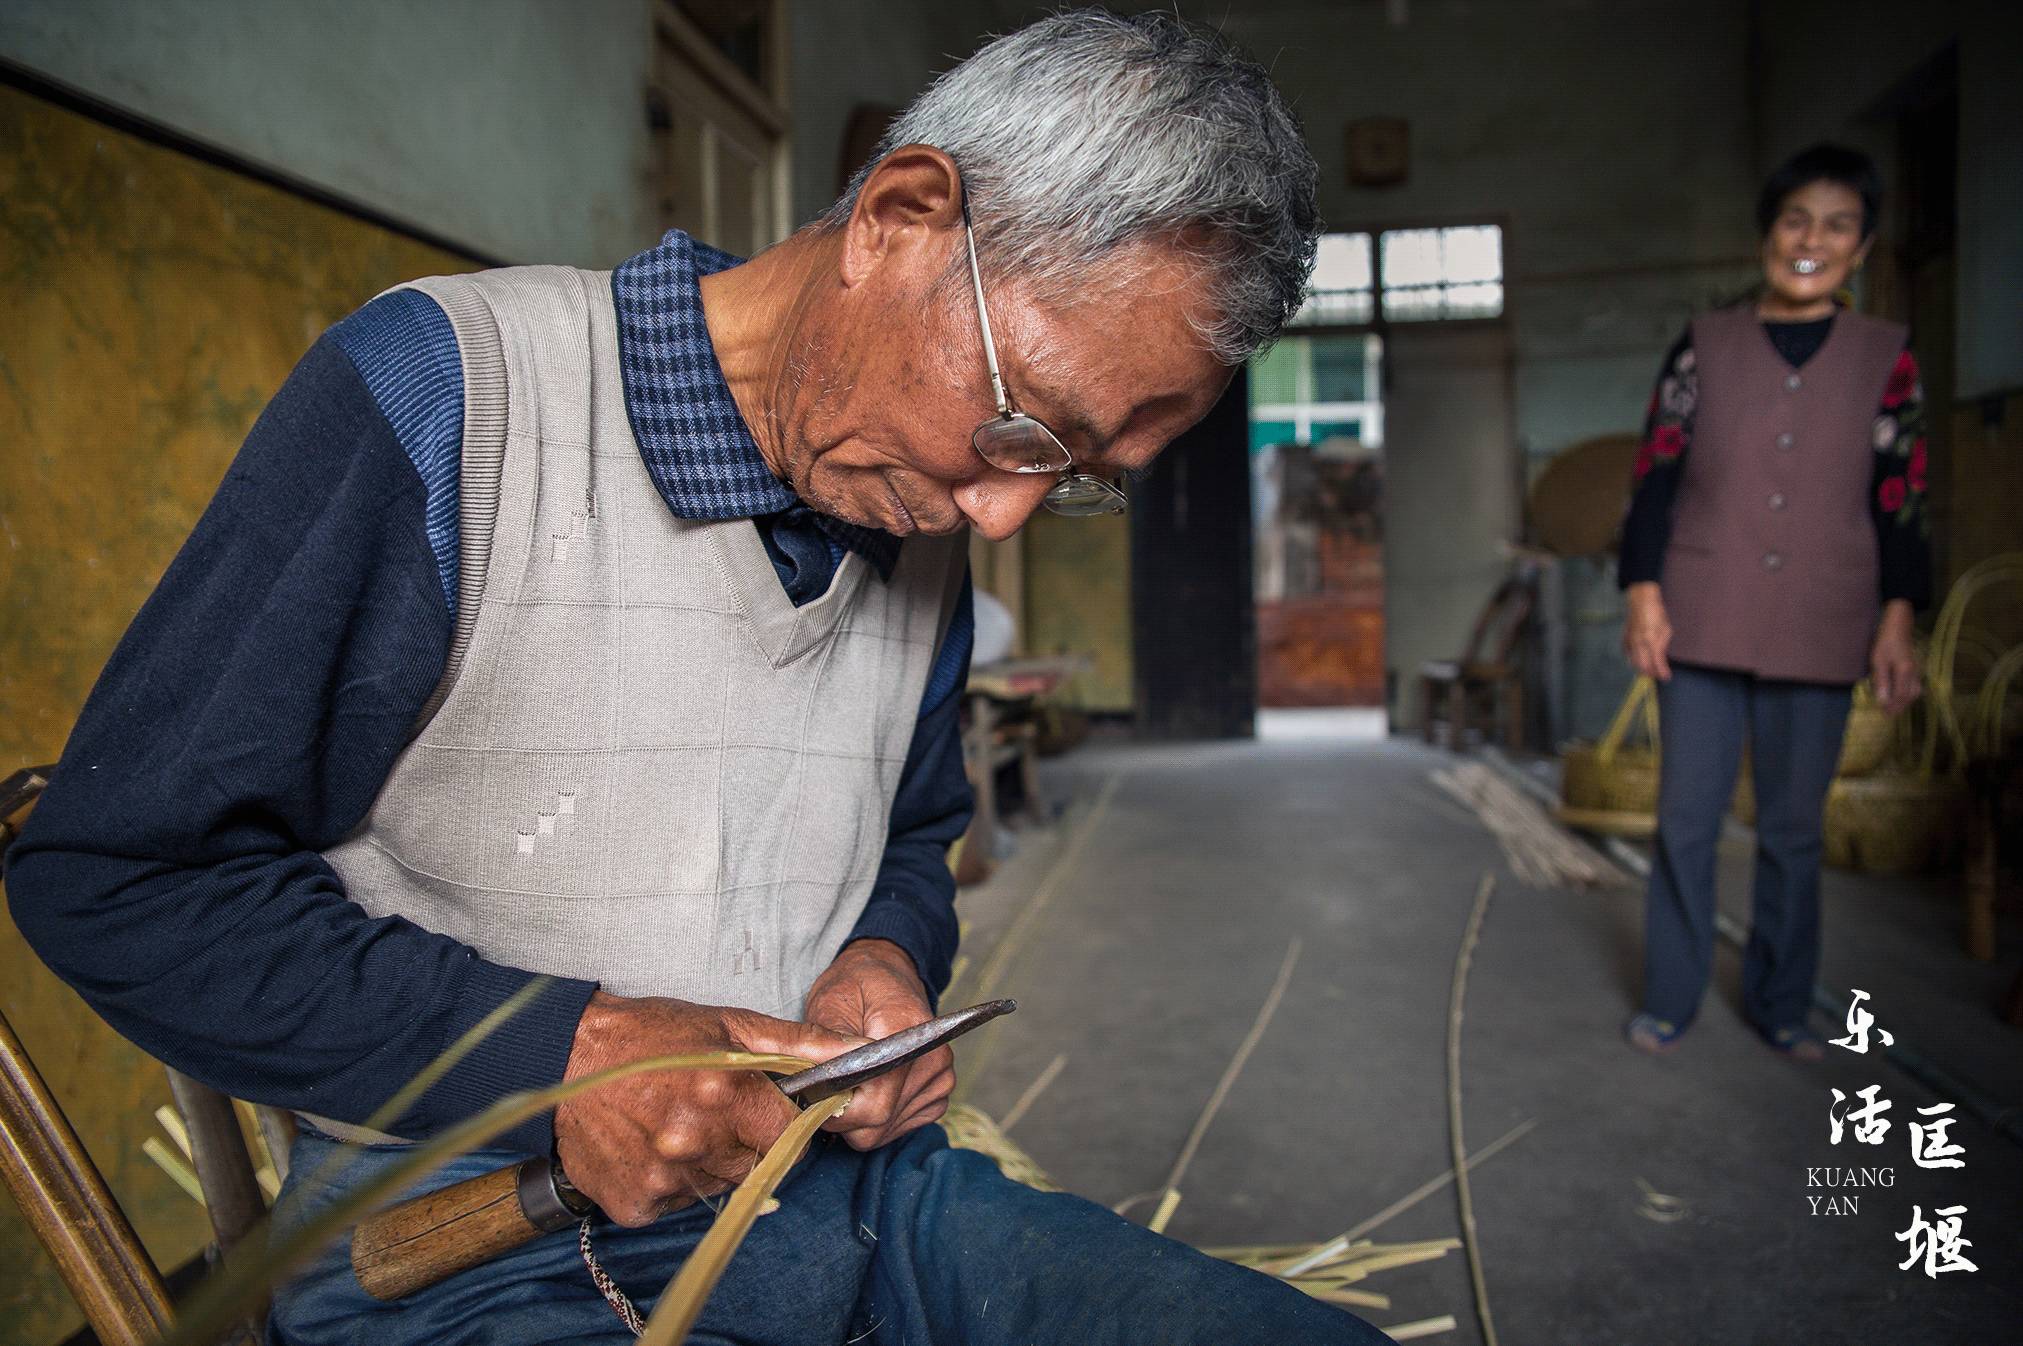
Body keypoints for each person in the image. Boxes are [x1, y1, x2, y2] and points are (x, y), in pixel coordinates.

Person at [4, 11, 1389, 1345]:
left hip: (835, 1198)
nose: (1003, 516)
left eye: (1074, 478)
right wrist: (564, 1053)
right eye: (1026, 425)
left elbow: (909, 835)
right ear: (898, 219)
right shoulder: (449, 399)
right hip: (470, 1236)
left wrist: (881, 955)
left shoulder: (920, 506)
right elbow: (123, 876)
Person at [1617, 143, 1930, 1061]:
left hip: (1826, 615)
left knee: (1793, 831)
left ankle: (1782, 1004)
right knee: (1685, 819)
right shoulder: (1703, 345)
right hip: (1700, 609)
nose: (1811, 240)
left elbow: (1901, 496)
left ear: (1862, 247)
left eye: (1837, 225)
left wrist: (1898, 617)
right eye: (1795, 219)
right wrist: (1643, 592)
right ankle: (1670, 998)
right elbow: (1653, 477)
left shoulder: (1888, 359)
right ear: (1767, 233)